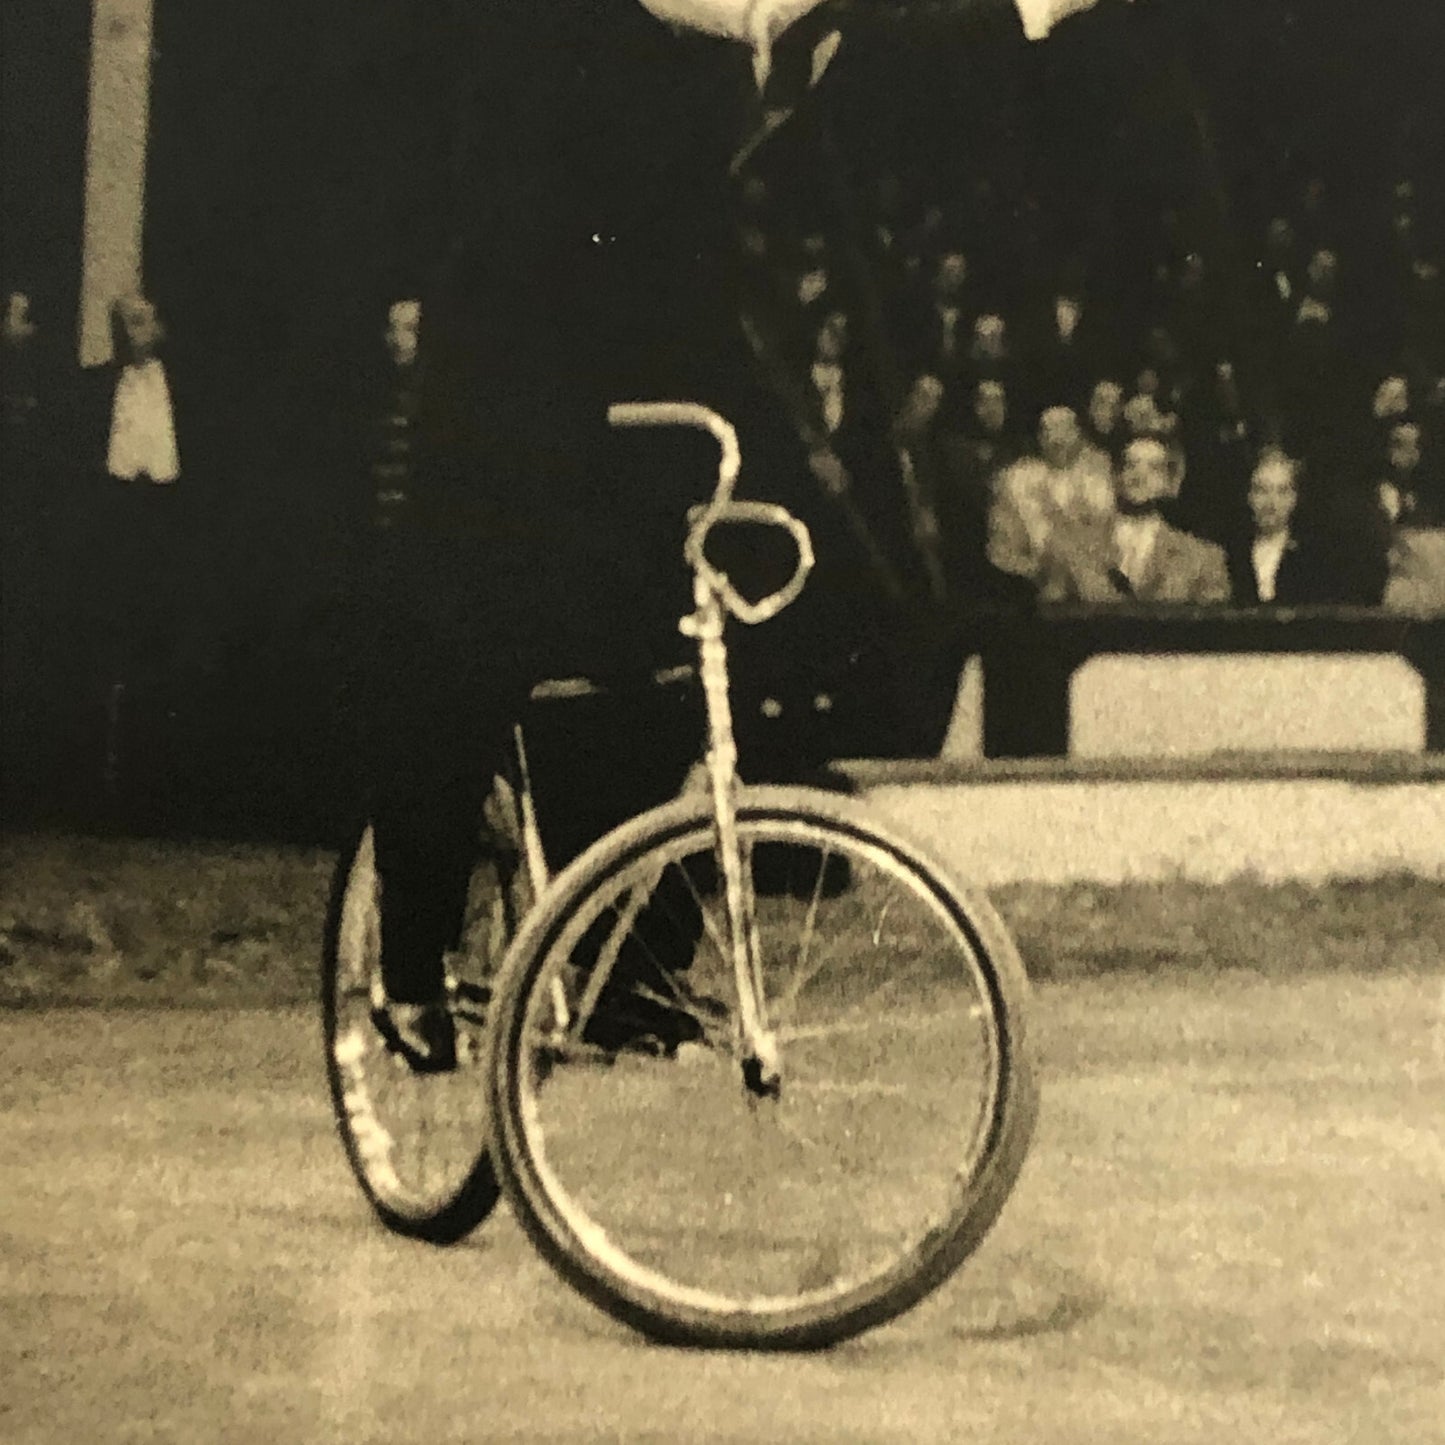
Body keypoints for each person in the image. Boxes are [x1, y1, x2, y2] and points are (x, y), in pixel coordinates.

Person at [1037, 433, 1230, 604]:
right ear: (1116, 476)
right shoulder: (1072, 549)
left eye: (1154, 468)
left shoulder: (1201, 558)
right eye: (1131, 465)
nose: (1139, 476)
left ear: (1171, 482)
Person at [987, 404, 1112, 583]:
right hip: (1032, 586)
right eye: (1049, 430)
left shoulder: (1098, 481)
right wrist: (1037, 570)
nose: (1057, 439)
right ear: (1039, 437)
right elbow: (1001, 549)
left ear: (1079, 435)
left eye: (1065, 429)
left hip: (1091, 585)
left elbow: (1109, 542)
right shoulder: (1016, 480)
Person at [1224, 448, 1338, 606]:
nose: (1272, 503)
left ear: (1294, 498)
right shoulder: (1231, 552)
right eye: (1262, 491)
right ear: (1249, 496)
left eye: (1282, 491)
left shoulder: (1314, 554)